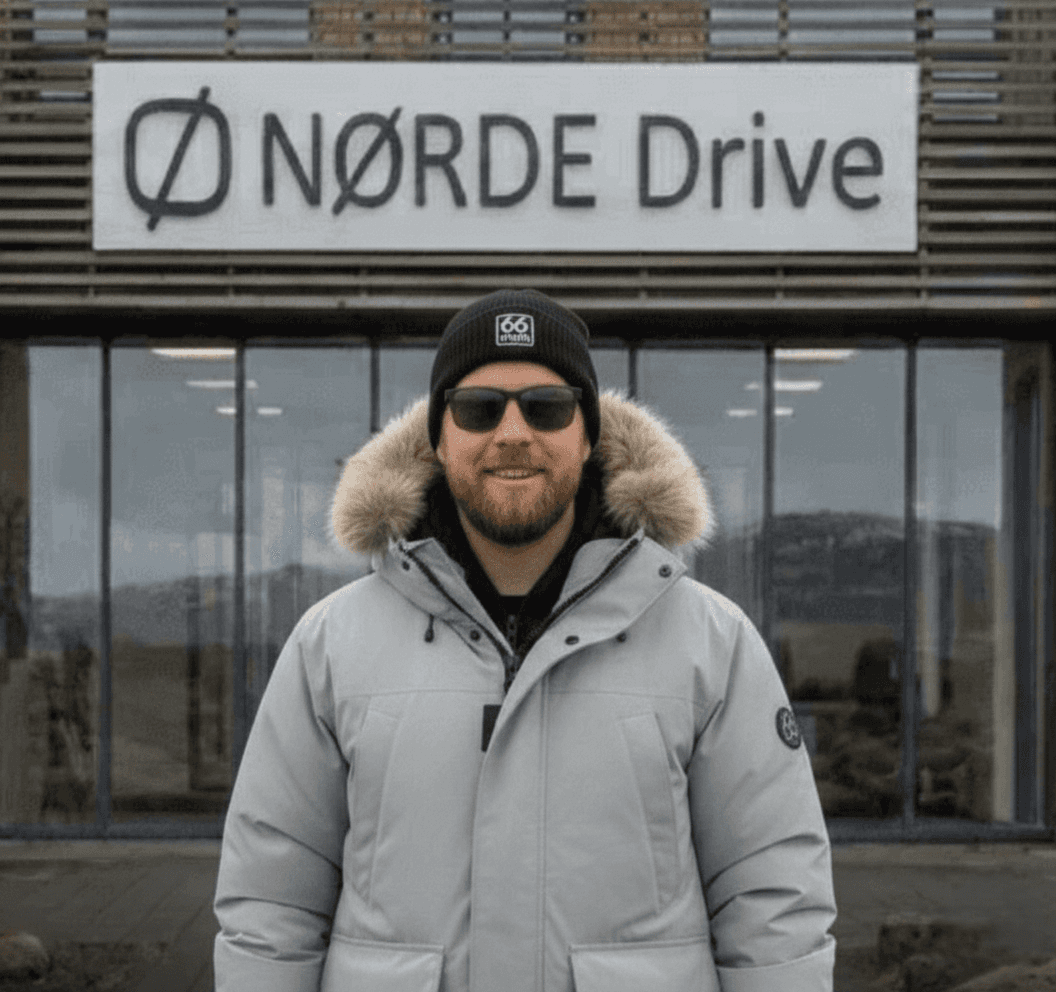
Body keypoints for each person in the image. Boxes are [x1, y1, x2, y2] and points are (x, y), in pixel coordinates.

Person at [213, 288, 837, 992]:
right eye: (480, 408)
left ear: (590, 433)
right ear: (439, 437)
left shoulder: (710, 644)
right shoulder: (331, 645)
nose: (513, 433)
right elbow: (271, 901)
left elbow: (775, 899)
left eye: (547, 407)